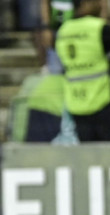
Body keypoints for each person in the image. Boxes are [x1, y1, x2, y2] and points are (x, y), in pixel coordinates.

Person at [55, 0, 110, 141]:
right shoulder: (99, 28)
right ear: (86, 2)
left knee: (88, 155)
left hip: (75, 101)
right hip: (102, 100)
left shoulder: (63, 30)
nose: (101, 4)